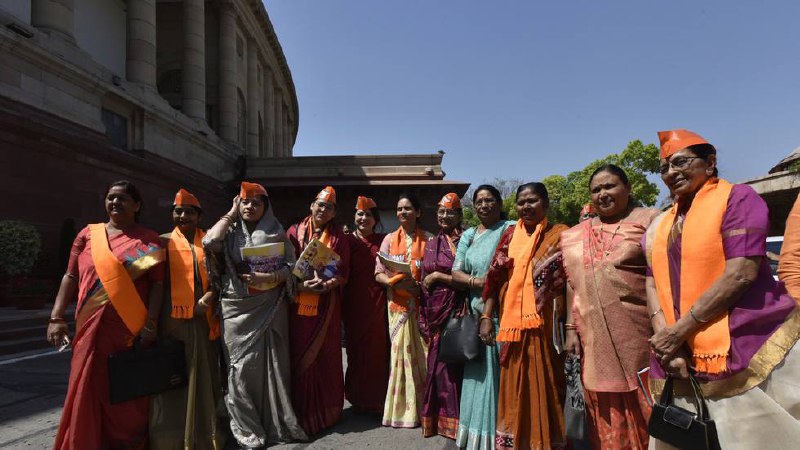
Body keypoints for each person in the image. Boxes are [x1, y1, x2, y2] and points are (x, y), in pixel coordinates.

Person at [645, 129, 800, 449]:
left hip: (741, 344)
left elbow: (742, 272)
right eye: (664, 167)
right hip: (677, 357)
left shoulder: (738, 199)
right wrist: (665, 338)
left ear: (710, 162)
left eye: (680, 162)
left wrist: (678, 333)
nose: (671, 172)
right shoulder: (661, 224)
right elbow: (651, 280)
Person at [47, 180, 165, 450]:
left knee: (126, 393)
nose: (115, 203)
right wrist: (56, 317)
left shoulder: (149, 240)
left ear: (137, 205)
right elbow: (70, 275)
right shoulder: (88, 234)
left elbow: (158, 285)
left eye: (122, 198)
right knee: (86, 386)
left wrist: (150, 325)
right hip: (89, 327)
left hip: (128, 328)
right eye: (110, 197)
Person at [561, 165, 659, 449]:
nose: (602, 194)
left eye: (610, 186)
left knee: (650, 405)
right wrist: (569, 328)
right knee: (604, 407)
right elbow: (572, 283)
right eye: (596, 189)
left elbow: (664, 275)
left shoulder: (650, 220)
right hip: (594, 338)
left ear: (628, 188)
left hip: (640, 335)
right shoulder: (575, 234)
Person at [203, 181, 307, 448]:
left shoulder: (276, 231)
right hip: (236, 307)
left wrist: (270, 276)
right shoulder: (229, 231)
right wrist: (231, 213)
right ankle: (246, 430)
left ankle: (273, 423)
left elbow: (293, 267)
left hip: (270, 306)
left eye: (256, 202)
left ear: (266, 206)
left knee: (273, 368)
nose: (250, 206)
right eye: (245, 201)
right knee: (240, 369)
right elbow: (210, 241)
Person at [481, 182, 568, 449]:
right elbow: (494, 279)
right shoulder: (509, 236)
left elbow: (571, 283)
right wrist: (486, 317)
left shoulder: (561, 234)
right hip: (511, 327)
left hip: (545, 328)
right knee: (513, 389)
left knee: (547, 385)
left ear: (546, 203)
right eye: (521, 202)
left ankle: (546, 442)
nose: (525, 207)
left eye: (532, 201)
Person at [149, 188, 225, 450]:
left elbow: (222, 277)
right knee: (173, 376)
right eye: (178, 211)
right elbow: (140, 273)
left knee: (205, 375)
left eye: (189, 212)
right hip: (172, 320)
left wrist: (210, 296)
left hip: (205, 319)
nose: (183, 215)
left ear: (199, 216)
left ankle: (206, 437)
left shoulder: (211, 244)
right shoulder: (161, 241)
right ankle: (170, 438)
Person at [450, 185, 512, 450]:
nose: (484, 205)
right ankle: (475, 437)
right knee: (477, 379)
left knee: (501, 382)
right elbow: (456, 272)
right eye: (479, 201)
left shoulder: (511, 228)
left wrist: (490, 283)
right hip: (478, 317)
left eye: (489, 200)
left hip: (504, 315)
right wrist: (481, 282)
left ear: (499, 203)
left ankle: (501, 436)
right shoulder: (469, 235)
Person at [286, 186, 351, 436]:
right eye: (319, 205)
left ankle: (327, 412)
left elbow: (344, 273)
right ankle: (301, 413)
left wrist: (327, 285)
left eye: (329, 207)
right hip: (298, 305)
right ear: (311, 206)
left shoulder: (338, 238)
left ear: (334, 212)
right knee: (300, 355)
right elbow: (283, 267)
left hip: (326, 305)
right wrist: (302, 285)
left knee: (326, 356)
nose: (323, 210)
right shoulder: (293, 233)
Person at [375, 193, 432, 429]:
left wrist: (421, 285)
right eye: (399, 209)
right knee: (401, 357)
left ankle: (425, 410)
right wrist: (392, 282)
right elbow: (378, 271)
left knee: (424, 358)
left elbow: (435, 271)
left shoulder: (430, 239)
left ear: (418, 212)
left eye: (408, 208)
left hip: (422, 306)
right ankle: (402, 411)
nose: (402, 213)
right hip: (397, 306)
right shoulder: (388, 239)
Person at [419, 193, 466, 439]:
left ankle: (455, 421)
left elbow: (468, 277)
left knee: (450, 370)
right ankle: (436, 420)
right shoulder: (431, 241)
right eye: (441, 212)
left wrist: (438, 276)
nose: (444, 216)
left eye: (450, 212)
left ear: (459, 215)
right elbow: (423, 279)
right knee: (434, 369)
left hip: (456, 311)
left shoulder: (465, 240)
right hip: (432, 311)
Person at [342, 196, 390, 414]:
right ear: (354, 217)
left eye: (368, 215)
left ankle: (378, 399)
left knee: (378, 351)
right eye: (360, 214)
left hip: (379, 302)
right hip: (353, 304)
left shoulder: (384, 241)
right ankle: (356, 397)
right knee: (355, 350)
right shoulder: (345, 242)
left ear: (375, 219)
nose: (363, 218)